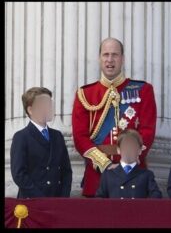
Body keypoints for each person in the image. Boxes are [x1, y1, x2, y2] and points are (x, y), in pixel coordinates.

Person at [72, 37, 157, 197]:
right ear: (99, 59)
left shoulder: (143, 90)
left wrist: (128, 161)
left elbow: (147, 131)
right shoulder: (85, 94)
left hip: (134, 176)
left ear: (123, 59)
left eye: (115, 55)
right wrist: (104, 163)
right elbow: (80, 137)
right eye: (106, 55)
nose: (110, 60)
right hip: (97, 176)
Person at [10, 87, 72, 198]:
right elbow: (19, 174)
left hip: (58, 201)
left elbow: (66, 171)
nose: (49, 108)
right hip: (33, 201)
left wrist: (63, 197)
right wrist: (41, 199)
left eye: (49, 104)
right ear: (30, 110)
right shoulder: (21, 137)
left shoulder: (57, 136)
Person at [96, 129, 162, 198]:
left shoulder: (146, 175)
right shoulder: (108, 175)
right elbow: (100, 200)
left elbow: (156, 197)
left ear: (139, 151)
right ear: (118, 150)